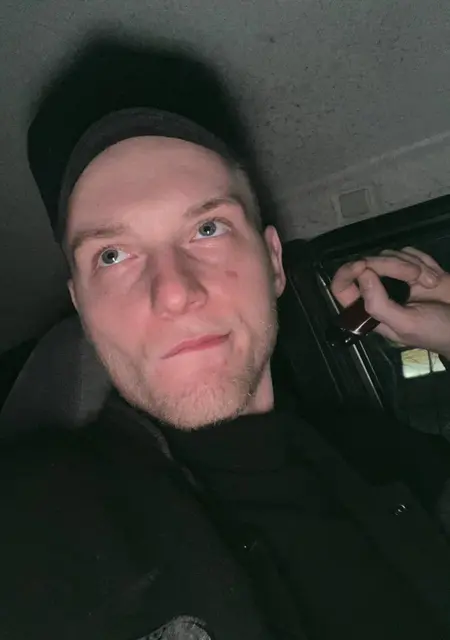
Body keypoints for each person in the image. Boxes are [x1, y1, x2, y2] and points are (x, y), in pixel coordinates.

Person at [2, 107, 450, 640]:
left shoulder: (380, 449)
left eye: (207, 228)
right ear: (82, 308)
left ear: (275, 263)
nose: (174, 292)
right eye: (112, 255)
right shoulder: (36, 521)